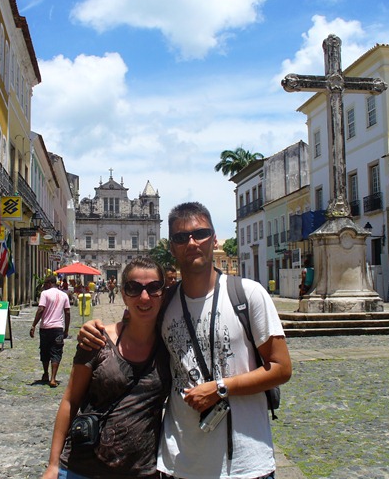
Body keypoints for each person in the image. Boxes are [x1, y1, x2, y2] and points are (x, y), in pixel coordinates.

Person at [79, 202, 292, 479]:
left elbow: (281, 368)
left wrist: (221, 388)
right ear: (172, 247)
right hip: (179, 463)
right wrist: (92, 328)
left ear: (214, 239)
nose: (192, 243)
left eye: (200, 233)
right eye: (181, 237)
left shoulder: (248, 295)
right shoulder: (164, 301)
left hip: (245, 464)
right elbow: (126, 331)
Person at [42, 257, 171, 479]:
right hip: (82, 470)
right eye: (133, 288)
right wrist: (53, 464)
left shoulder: (170, 347)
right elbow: (71, 400)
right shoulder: (97, 340)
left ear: (163, 293)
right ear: (123, 294)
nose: (144, 296)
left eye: (153, 288)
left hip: (141, 472)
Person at [30, 276, 71, 387]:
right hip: (58, 329)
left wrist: (33, 325)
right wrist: (66, 329)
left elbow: (40, 309)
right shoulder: (64, 295)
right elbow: (67, 312)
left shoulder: (45, 294)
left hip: (45, 328)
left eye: (45, 283)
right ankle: (53, 378)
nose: (43, 286)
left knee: (45, 351)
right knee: (56, 352)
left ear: (49, 283)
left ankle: (45, 373)